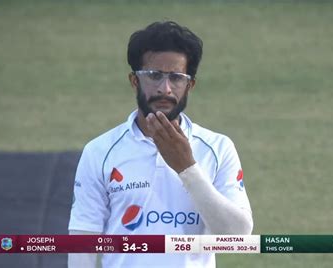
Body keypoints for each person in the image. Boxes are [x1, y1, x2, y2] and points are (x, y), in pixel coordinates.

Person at [68, 21, 253, 268]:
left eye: (176, 77)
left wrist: (187, 168)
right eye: (154, 76)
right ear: (135, 81)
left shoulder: (218, 148)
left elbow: (237, 238)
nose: (164, 89)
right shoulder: (99, 151)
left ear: (190, 85)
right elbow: (83, 241)